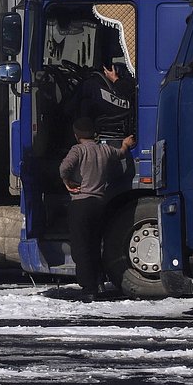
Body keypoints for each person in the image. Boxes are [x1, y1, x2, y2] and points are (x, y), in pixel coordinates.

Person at [59, 117, 136, 302]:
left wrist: (67, 182)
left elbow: (64, 168)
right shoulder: (104, 149)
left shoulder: (78, 150)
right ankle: (99, 281)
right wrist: (126, 144)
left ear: (76, 135)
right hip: (100, 203)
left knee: (81, 247)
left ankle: (88, 288)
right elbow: (121, 153)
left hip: (81, 203)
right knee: (95, 245)